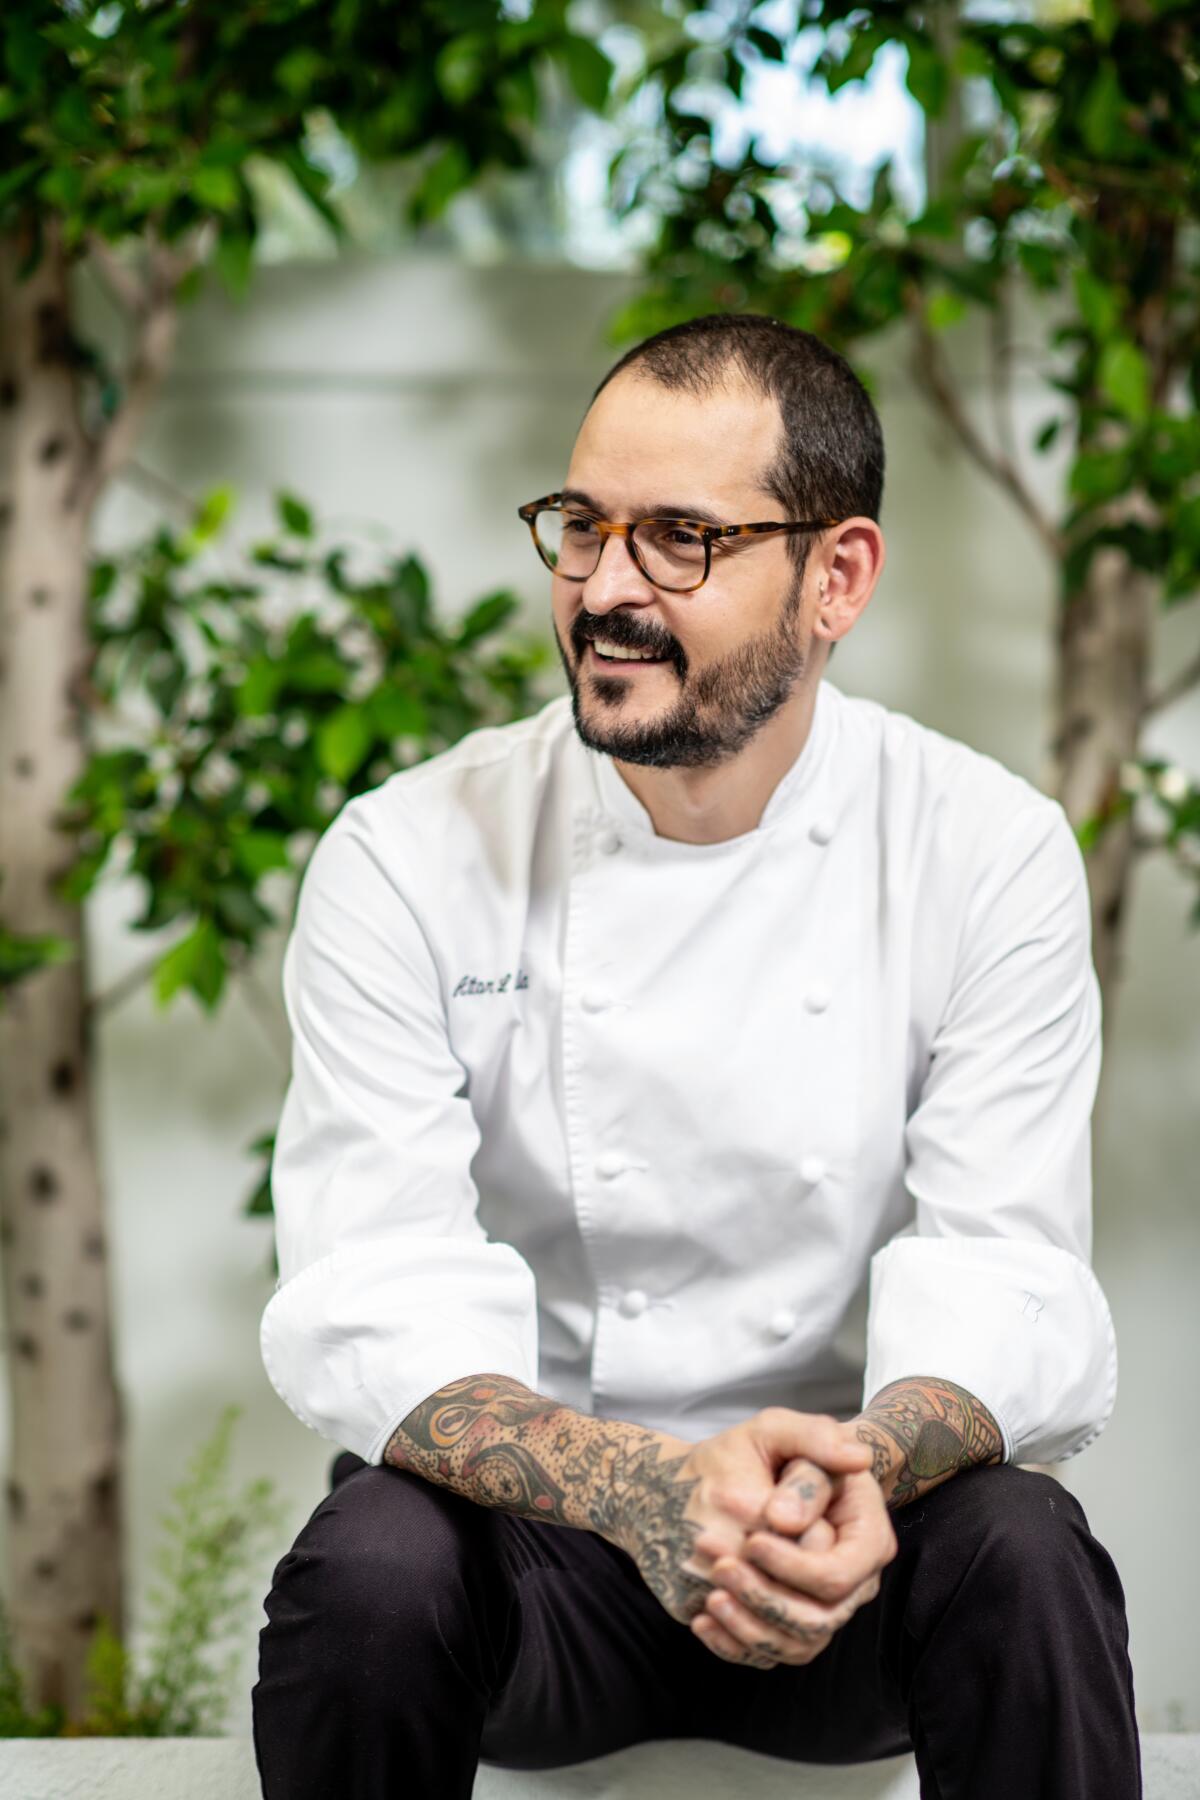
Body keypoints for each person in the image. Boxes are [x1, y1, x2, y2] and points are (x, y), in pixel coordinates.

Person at [251, 314, 1141, 1799]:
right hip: (542, 1566)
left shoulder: (983, 850)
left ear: (836, 576)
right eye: (582, 526)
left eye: (678, 540)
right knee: (370, 1565)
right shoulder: (406, 855)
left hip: (848, 1545)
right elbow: (374, 1291)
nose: (604, 589)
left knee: (1027, 1549)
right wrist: (649, 1488)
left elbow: (1008, 1267)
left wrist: (840, 1480)